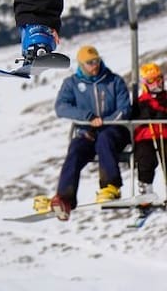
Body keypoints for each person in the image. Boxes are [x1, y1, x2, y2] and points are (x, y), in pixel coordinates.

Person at [39, 45, 131, 220]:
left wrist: (106, 121)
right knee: (75, 148)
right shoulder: (72, 84)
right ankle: (65, 198)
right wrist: (87, 117)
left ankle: (110, 186)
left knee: (105, 138)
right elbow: (61, 107)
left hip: (114, 130)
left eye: (96, 61)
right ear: (81, 64)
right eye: (89, 63)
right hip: (87, 132)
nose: (94, 65)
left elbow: (124, 108)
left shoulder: (114, 81)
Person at [133, 62, 167, 197]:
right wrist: (142, 114)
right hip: (146, 136)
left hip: (164, 134)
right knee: (145, 157)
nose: (157, 83)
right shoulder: (141, 100)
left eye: (159, 79)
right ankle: (145, 189)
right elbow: (133, 117)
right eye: (152, 80)